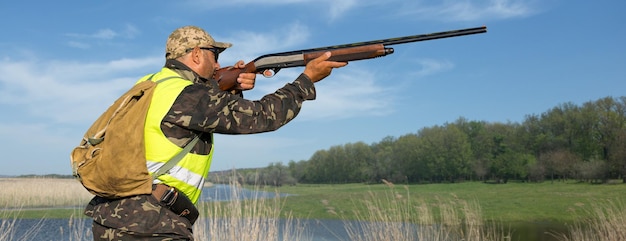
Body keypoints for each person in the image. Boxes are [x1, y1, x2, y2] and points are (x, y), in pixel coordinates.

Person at [83, 25, 347, 240]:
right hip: (152, 225)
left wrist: (232, 85)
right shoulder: (188, 95)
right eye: (215, 56)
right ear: (197, 55)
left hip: (111, 218)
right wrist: (306, 81)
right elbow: (263, 116)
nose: (218, 63)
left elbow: (188, 119)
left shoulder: (150, 84)